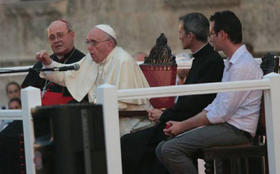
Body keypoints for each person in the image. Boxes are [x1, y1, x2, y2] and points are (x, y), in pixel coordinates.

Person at [156, 10, 263, 174]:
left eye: (212, 33)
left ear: (223, 34)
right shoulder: (231, 63)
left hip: (236, 130)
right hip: (225, 125)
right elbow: (217, 105)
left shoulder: (242, 66)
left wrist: (183, 125)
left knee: (169, 149)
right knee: (162, 147)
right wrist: (182, 125)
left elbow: (221, 113)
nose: (210, 37)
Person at [121, 12, 224, 174]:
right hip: (181, 117)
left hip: (190, 123)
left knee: (133, 144)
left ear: (190, 35)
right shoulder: (202, 58)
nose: (180, 37)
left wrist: (164, 115)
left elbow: (194, 103)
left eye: (181, 33)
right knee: (131, 143)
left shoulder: (211, 61)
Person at [36, 24, 151, 134]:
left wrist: (91, 109)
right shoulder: (91, 60)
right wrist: (49, 63)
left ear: (109, 44)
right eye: (88, 42)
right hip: (101, 118)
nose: (89, 47)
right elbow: (67, 75)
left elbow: (123, 104)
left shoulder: (123, 61)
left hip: (129, 123)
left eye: (94, 43)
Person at [21, 19, 85, 105]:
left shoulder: (82, 62)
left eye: (60, 35)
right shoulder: (43, 62)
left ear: (72, 35)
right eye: (52, 37)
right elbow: (25, 91)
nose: (56, 40)